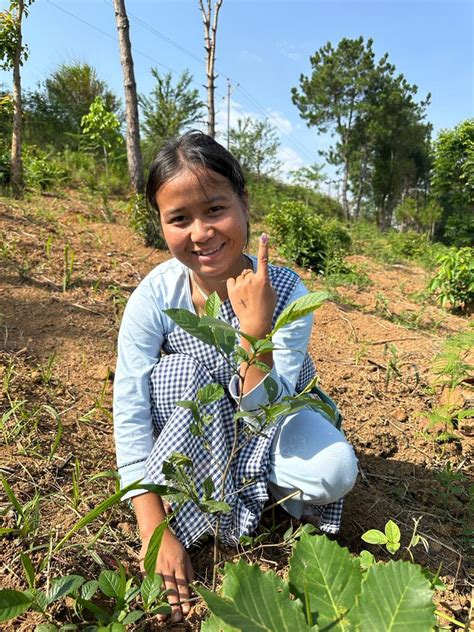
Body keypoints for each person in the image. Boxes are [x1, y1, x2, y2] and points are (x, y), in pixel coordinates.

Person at [113, 130, 358, 622]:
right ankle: (215, 498)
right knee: (181, 371)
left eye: (215, 210)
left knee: (333, 471)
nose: (201, 232)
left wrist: (254, 331)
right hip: (198, 427)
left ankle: (248, 490)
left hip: (268, 418)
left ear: (244, 204)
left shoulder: (284, 288)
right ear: (160, 224)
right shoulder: (155, 296)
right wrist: (153, 528)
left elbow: (269, 409)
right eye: (179, 219)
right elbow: (132, 409)